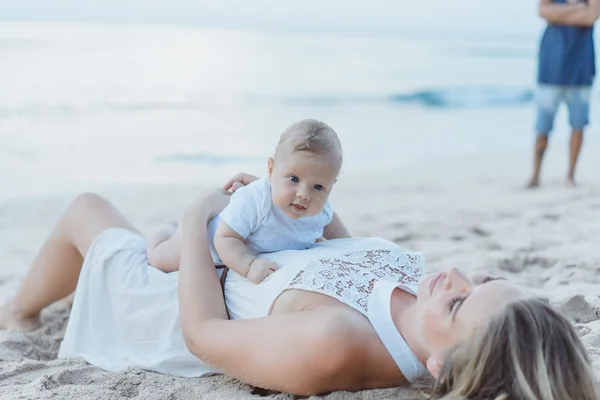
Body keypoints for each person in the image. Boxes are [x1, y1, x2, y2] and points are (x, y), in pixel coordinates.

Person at [0, 173, 598, 399]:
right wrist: (300, 200)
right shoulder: (420, 293)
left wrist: (197, 219)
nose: (458, 276)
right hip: (235, 260)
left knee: (87, 209)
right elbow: (343, 254)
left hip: (178, 302)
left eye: (461, 300)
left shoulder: (336, 344)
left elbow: (204, 333)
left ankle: (19, 315)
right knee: (134, 231)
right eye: (488, 277)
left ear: (442, 367)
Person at [146, 119, 350, 284]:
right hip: (207, 239)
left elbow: (341, 237)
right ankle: (163, 233)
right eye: (294, 179)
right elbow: (225, 238)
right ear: (271, 170)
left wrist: (353, 250)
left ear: (331, 185)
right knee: (160, 259)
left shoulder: (321, 211)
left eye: (319, 187)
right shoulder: (256, 201)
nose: (304, 194)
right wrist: (249, 265)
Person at [528, 0, 598, 188]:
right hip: (550, 68)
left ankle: (570, 175)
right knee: (543, 126)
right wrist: (577, 9)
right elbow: (543, 11)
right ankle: (535, 176)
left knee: (578, 124)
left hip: (581, 70)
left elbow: (591, 17)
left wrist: (559, 14)